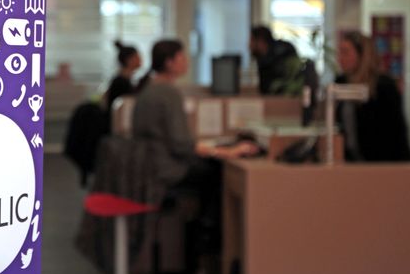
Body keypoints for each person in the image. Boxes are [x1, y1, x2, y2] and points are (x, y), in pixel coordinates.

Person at [132, 40, 258, 254]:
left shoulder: (149, 90)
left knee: (209, 169)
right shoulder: (167, 93)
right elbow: (182, 144)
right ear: (170, 63)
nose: (187, 62)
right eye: (182, 58)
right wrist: (228, 151)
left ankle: (205, 237)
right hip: (166, 171)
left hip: (150, 168)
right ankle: (208, 239)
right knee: (217, 174)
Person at [336, 31, 410, 162]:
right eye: (339, 52)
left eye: (345, 52)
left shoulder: (383, 86)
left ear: (362, 55)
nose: (340, 58)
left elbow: (397, 133)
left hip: (384, 162)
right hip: (352, 163)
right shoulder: (341, 83)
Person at [249, 25, 299, 95]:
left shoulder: (283, 53)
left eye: (251, 40)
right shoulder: (262, 58)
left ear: (260, 41)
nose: (249, 45)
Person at [104, 41, 142, 115]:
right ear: (129, 60)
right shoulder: (121, 82)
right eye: (137, 56)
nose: (140, 59)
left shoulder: (127, 79)